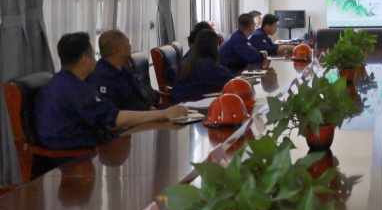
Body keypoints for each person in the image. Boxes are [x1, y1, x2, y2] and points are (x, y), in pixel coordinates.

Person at [35, 32, 188, 150]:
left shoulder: (59, 81)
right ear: (84, 59)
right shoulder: (77, 89)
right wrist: (163, 114)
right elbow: (114, 120)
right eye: (93, 55)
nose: (96, 60)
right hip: (75, 153)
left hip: (74, 145)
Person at [87, 29, 153, 111]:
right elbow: (112, 113)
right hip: (131, 117)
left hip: (144, 113)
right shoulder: (101, 77)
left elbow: (139, 97)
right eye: (127, 42)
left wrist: (152, 109)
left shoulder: (124, 69)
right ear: (119, 48)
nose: (130, 46)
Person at [171, 29, 234, 103]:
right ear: (213, 47)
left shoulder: (189, 60)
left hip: (179, 101)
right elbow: (229, 78)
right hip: (188, 103)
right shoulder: (205, 64)